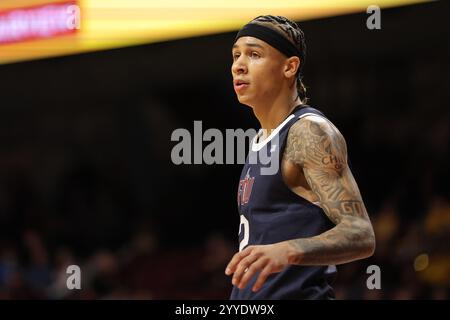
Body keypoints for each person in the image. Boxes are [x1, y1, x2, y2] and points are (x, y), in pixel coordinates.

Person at [225, 15, 376, 299]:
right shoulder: (260, 140)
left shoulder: (308, 131)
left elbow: (360, 234)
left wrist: (289, 250)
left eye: (254, 54)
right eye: (236, 56)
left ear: (289, 66)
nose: (239, 66)